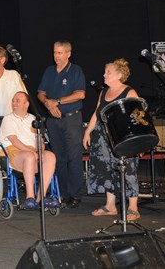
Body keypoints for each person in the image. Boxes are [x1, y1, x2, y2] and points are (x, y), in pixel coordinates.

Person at [83, 59, 141, 221]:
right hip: (103, 137)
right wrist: (88, 132)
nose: (104, 75)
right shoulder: (104, 92)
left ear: (119, 75)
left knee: (128, 170)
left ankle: (133, 208)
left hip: (122, 137)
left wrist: (138, 142)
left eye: (108, 72)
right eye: (104, 71)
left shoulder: (130, 93)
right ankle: (110, 206)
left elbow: (137, 118)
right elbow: (97, 112)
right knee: (106, 169)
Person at [37, 40, 86, 209]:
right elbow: (41, 93)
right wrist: (48, 104)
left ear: (68, 54)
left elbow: (80, 94)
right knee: (58, 158)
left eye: (60, 53)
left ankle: (75, 195)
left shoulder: (75, 70)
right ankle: (62, 193)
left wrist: (56, 101)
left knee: (74, 157)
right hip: (53, 120)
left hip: (71, 119)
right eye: (54, 52)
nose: (56, 56)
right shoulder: (49, 71)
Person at [0, 92, 59, 209]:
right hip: (13, 151)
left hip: (32, 151)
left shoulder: (33, 119)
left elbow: (40, 140)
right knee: (30, 156)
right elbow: (14, 141)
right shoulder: (8, 119)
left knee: (50, 156)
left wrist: (40, 146)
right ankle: (29, 197)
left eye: (17, 100)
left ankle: (41, 197)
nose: (14, 103)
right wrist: (33, 152)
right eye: (13, 100)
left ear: (26, 104)